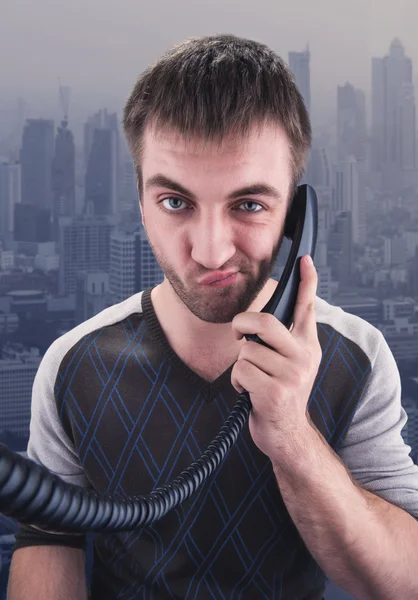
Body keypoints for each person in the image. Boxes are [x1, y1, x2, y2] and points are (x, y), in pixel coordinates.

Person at [8, 34, 418, 600]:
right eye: (175, 202)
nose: (209, 251)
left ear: (297, 214)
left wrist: (293, 437)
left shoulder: (355, 355)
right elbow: (47, 538)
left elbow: (405, 581)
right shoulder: (72, 365)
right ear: (141, 200)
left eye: (248, 205)